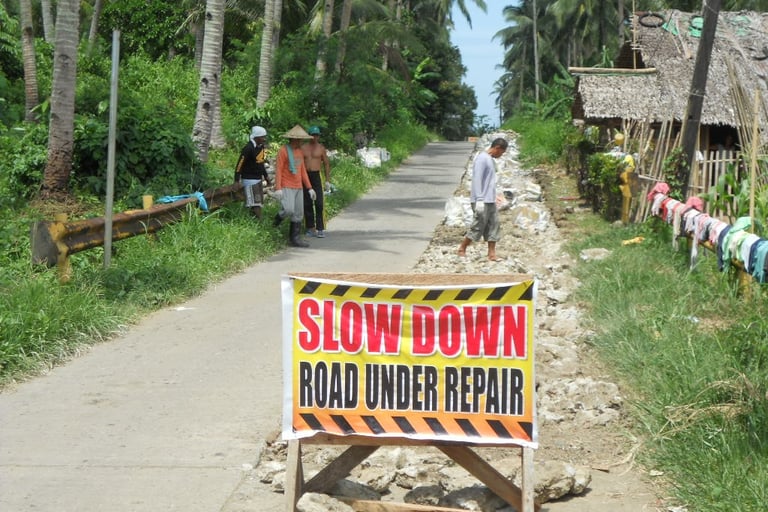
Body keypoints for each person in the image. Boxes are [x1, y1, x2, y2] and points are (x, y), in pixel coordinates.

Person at [457, 137, 509, 262]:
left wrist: (495, 195)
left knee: (494, 225)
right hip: (481, 200)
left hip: (490, 199)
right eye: (501, 153)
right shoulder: (482, 158)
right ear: (497, 148)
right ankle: (462, 248)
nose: (501, 155)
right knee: (478, 225)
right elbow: (477, 179)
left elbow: (489, 181)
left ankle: (491, 254)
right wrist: (479, 199)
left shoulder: (490, 159)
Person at [273, 125, 315, 247]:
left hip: (298, 186)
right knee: (288, 209)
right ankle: (275, 222)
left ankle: (295, 238)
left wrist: (309, 188)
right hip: (287, 185)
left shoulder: (299, 152)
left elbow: (302, 171)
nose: (301, 141)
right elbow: (279, 169)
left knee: (298, 213)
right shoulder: (283, 151)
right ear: (294, 139)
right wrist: (278, 188)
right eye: (300, 139)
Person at [234, 125, 270, 219]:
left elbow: (261, 162)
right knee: (255, 203)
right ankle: (259, 221)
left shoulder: (261, 147)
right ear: (256, 137)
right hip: (249, 179)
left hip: (258, 179)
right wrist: (236, 180)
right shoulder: (248, 148)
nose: (264, 139)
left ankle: (253, 220)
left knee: (257, 202)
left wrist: (266, 176)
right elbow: (240, 164)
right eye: (262, 137)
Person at [302, 125, 332, 238]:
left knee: (319, 203)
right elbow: (299, 163)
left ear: (319, 136)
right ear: (309, 136)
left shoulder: (321, 148)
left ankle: (320, 228)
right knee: (307, 203)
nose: (314, 137)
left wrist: (327, 180)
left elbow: (326, 163)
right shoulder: (303, 148)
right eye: (313, 135)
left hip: (316, 176)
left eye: (316, 135)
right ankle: (310, 228)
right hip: (305, 176)